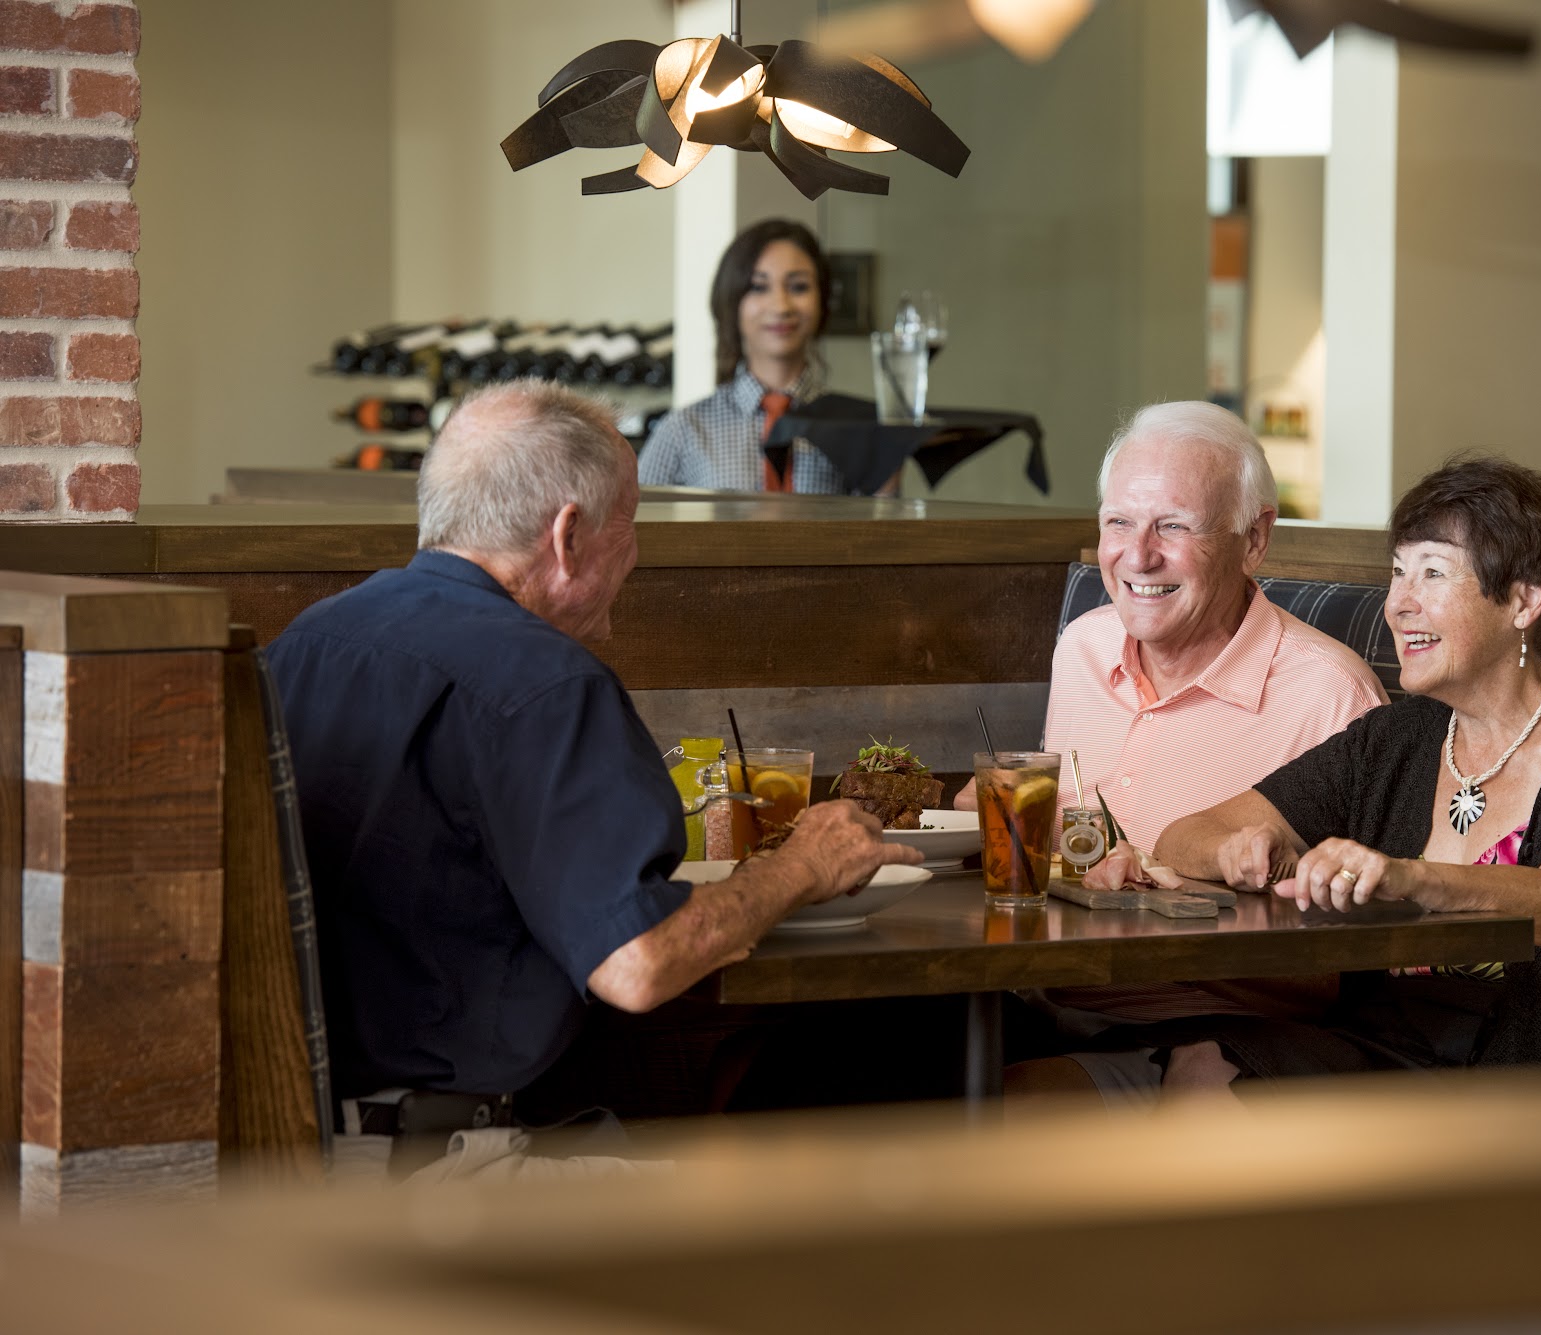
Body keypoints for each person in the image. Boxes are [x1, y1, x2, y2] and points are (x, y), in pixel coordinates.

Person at [266, 380, 920, 1154]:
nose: (636, 552)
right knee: (820, 1187)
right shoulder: (546, 682)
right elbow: (638, 964)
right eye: (630, 522)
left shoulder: (302, 643)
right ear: (568, 534)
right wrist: (802, 865)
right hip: (452, 1167)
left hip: (291, 1153)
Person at [1148, 454, 1541, 1086]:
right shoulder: (1402, 734)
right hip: (1373, 1049)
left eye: (1432, 573)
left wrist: (1407, 878)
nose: (1399, 604)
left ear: (1522, 600)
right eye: (1397, 573)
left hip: (1512, 1078)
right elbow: (1182, 837)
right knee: (1201, 1060)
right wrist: (1242, 850)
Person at [982, 401, 1389, 1106]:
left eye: (1173, 525)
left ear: (1254, 538)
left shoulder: (1332, 696)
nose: (1138, 556)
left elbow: (1353, 962)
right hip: (1023, 1004)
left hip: (1200, 1038)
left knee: (985, 1123)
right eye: (1119, 522)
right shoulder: (1082, 647)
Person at [637, 217, 849, 493]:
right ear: (732, 302)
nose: (781, 306)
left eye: (798, 287)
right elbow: (635, 526)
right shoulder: (684, 430)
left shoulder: (852, 427)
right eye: (759, 287)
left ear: (822, 300)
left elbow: (882, 532)